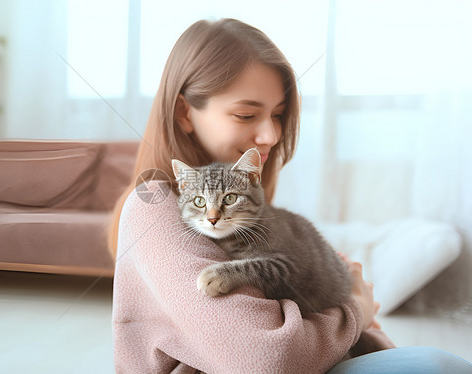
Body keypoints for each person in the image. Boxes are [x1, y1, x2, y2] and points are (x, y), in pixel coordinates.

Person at [110, 18, 472, 373]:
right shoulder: (155, 207)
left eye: (279, 114)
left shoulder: (255, 212)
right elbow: (268, 359)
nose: (270, 135)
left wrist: (363, 321)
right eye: (246, 114)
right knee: (435, 365)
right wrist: (356, 313)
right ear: (184, 112)